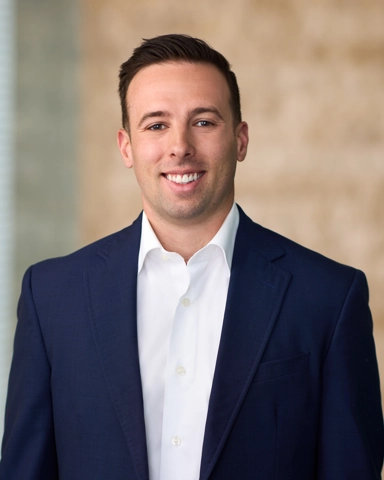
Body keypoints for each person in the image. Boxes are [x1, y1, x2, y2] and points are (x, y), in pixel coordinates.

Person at [0, 34, 383, 480]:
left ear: (240, 140)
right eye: (156, 125)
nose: (179, 146)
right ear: (126, 146)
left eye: (203, 122)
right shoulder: (51, 298)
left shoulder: (328, 299)